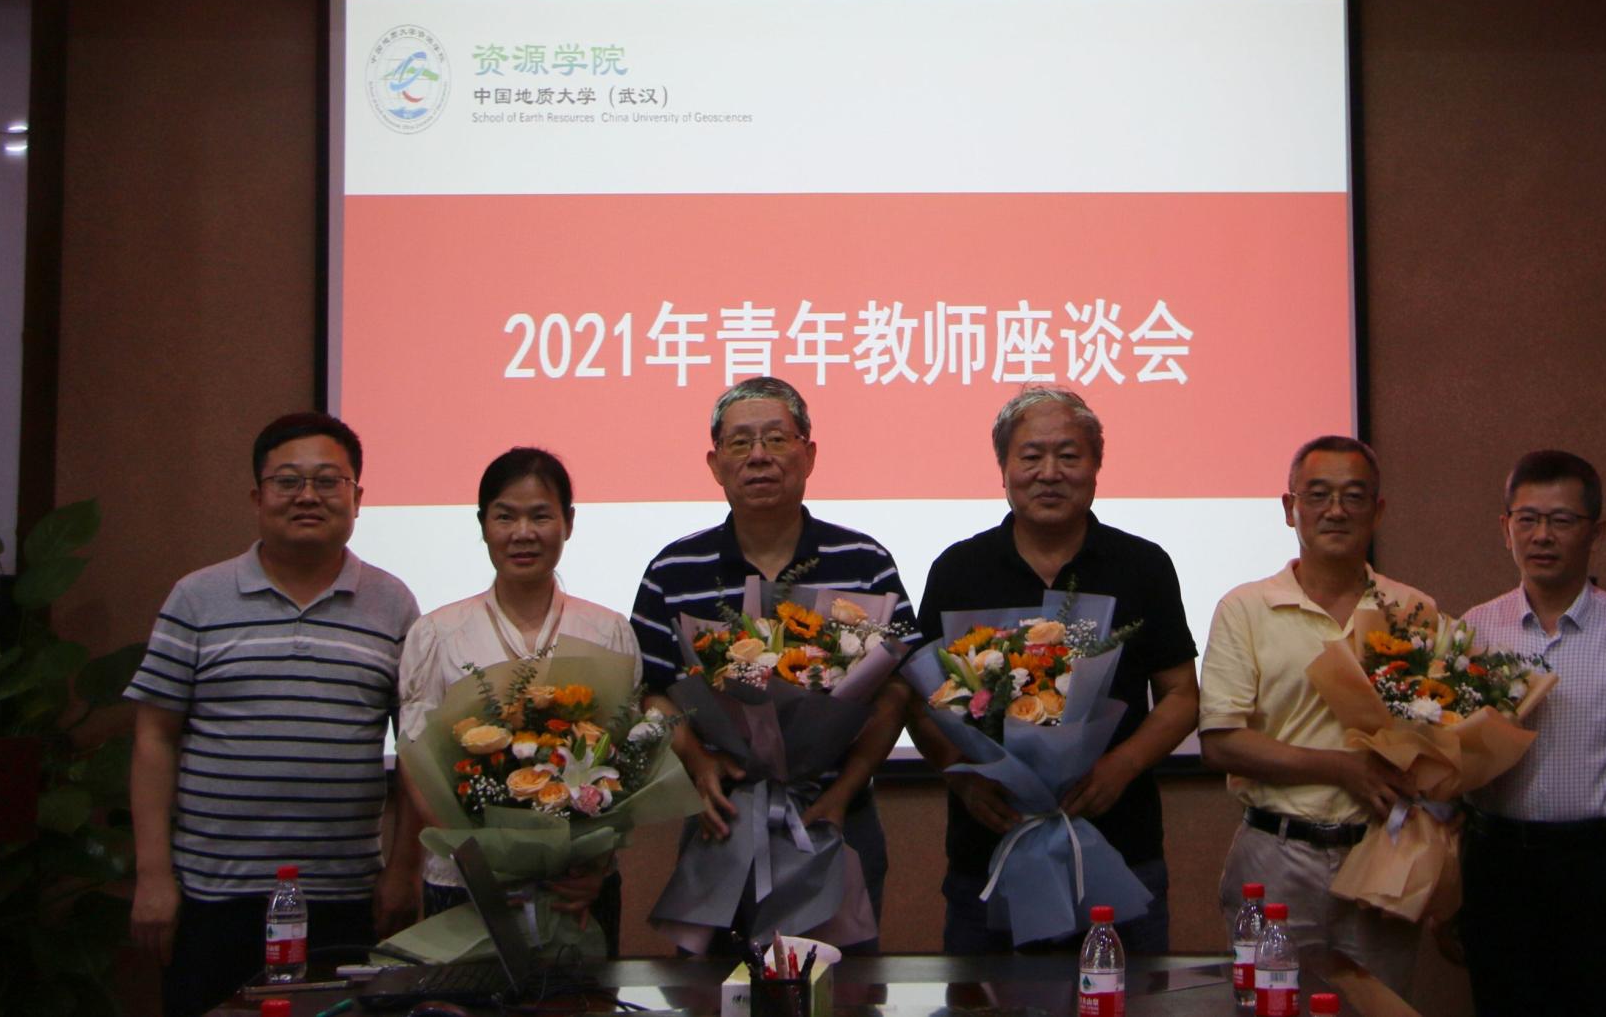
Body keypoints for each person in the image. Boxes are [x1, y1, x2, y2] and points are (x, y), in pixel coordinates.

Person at [126, 412, 421, 1017]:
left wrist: (403, 870)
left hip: (345, 895)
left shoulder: (393, 604)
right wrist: (153, 876)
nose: (307, 495)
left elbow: (416, 750)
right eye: (288, 481)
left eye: (328, 481)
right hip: (213, 894)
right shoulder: (197, 598)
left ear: (358, 497)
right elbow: (155, 738)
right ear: (257, 496)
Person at [910, 387, 1199, 952]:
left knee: (1129, 993)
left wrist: (1121, 765)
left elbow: (1182, 695)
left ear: (1096, 466)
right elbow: (920, 701)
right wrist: (961, 776)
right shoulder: (959, 569)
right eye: (1031, 456)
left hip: (1119, 842)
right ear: (1003, 468)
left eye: (1068, 456)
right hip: (990, 847)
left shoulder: (1142, 566)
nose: (1049, 473)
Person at [629, 375, 913, 941]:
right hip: (723, 817)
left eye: (777, 439)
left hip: (837, 816)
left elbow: (899, 690)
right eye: (740, 442)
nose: (758, 456)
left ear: (809, 454)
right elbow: (650, 691)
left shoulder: (864, 561)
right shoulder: (672, 570)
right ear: (715, 464)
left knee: (842, 981)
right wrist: (699, 764)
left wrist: (844, 790)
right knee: (715, 984)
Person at [1458, 450, 1606, 1017]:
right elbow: (1451, 761)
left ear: (1597, 531)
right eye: (1527, 519)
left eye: (1562, 520)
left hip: (1601, 869)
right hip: (1498, 866)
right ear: (1505, 528)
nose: (1542, 536)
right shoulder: (1474, 630)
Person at [1197, 435, 1431, 995]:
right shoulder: (1245, 608)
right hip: (1276, 855)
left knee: (1379, 1008)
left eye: (1354, 496)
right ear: (1289, 508)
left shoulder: (1413, 611)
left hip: (1382, 854)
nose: (1336, 510)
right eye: (1318, 494)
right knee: (1269, 1005)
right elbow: (1221, 742)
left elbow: (1440, 734)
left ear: (1378, 511)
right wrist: (1344, 767)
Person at [395, 446, 638, 953]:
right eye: (505, 516)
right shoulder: (438, 634)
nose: (522, 533)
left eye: (540, 516)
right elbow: (416, 763)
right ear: (483, 525)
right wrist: (480, 858)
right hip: (467, 882)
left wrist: (595, 865)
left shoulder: (607, 630)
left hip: (578, 887)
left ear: (568, 523)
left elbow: (629, 762)